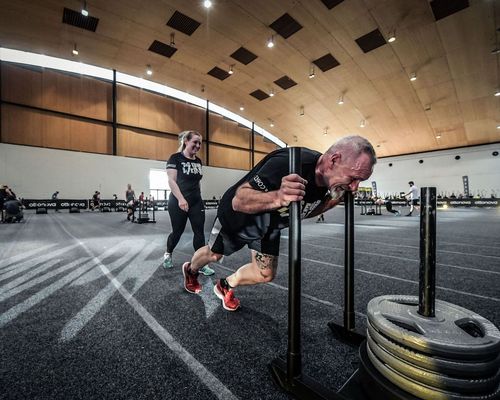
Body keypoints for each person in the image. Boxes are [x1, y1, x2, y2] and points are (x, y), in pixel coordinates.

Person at [181, 135, 376, 311]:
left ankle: (225, 285)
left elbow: (303, 211)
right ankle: (191, 270)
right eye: (354, 178)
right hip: (239, 218)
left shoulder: (329, 183)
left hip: (270, 226)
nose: (355, 187)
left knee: (264, 274)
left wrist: (330, 202)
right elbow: (238, 201)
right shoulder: (288, 163)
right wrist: (279, 197)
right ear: (334, 160)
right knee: (214, 254)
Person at [163, 130, 214, 276]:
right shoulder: (175, 158)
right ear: (186, 141)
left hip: (196, 202)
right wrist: (181, 199)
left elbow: (197, 182)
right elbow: (171, 181)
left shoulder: (198, 161)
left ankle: (201, 264)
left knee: (199, 233)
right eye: (195, 142)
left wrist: (197, 197)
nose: (198, 145)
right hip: (177, 201)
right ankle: (168, 254)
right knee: (177, 232)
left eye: (200, 143)